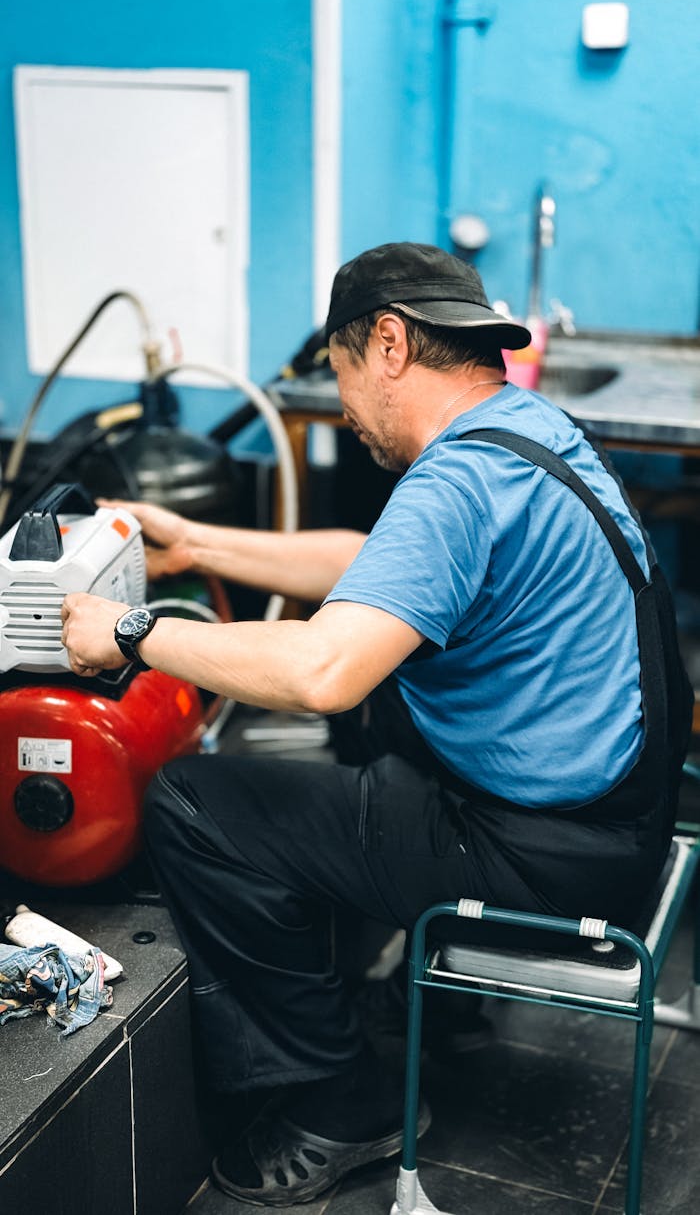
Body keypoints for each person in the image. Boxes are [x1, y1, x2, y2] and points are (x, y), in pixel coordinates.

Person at [61, 242, 692, 1207]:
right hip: (615, 829)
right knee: (385, 714)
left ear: (389, 343)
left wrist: (133, 632)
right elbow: (376, 564)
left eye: (344, 373)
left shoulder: (456, 484)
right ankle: (444, 1011)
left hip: (540, 858)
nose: (347, 407)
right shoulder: (526, 431)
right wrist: (199, 541)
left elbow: (322, 671)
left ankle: (342, 1100)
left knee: (196, 800)